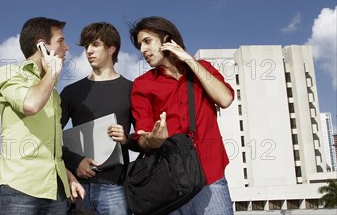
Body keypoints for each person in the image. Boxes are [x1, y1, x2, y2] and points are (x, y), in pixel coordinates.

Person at [129, 16, 235, 214]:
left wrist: (188, 59)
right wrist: (153, 140)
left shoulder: (202, 70)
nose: (142, 50)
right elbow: (142, 138)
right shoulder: (142, 85)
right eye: (139, 45)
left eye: (147, 41)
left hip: (210, 177)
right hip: (171, 183)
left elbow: (225, 99)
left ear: (167, 40)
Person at [0, 17, 84, 215]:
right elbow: (30, 104)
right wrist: (52, 73)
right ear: (42, 45)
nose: (66, 48)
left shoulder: (52, 93)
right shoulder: (9, 73)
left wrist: (68, 177)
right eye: (61, 41)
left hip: (57, 195)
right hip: (19, 191)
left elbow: (51, 148)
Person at [60, 22, 139, 215]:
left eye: (95, 44)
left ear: (112, 48)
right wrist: (75, 162)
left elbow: (144, 140)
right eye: (87, 46)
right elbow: (49, 136)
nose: (89, 51)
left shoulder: (132, 90)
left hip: (116, 187)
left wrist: (126, 138)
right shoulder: (71, 92)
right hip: (78, 188)